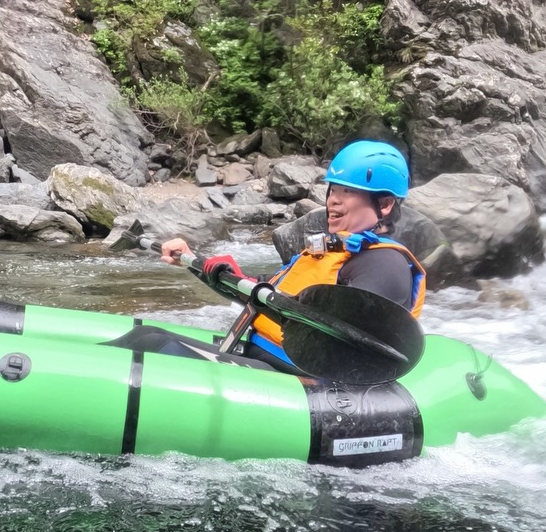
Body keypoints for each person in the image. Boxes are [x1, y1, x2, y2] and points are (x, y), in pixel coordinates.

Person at [159, 140, 426, 366]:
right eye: (333, 189)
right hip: (267, 357)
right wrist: (197, 263)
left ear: (385, 204)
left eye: (348, 191)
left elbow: (345, 339)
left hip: (302, 379)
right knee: (151, 338)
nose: (333, 199)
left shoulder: (385, 265)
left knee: (159, 346)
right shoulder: (335, 251)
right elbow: (267, 290)